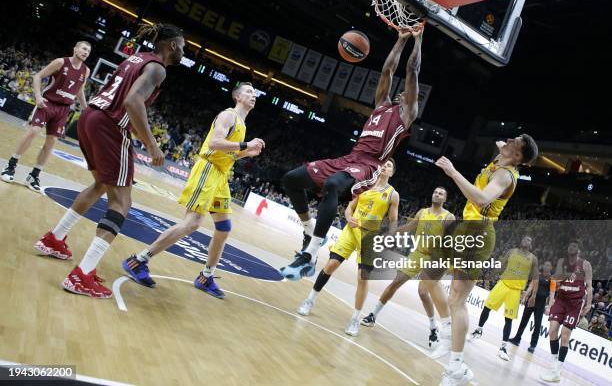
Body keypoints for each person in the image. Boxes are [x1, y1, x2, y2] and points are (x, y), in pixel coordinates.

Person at [35, 23, 184, 297]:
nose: (184, 52)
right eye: (183, 46)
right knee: (122, 202)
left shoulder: (135, 58)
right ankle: (82, 275)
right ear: (172, 44)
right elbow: (131, 102)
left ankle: (54, 239)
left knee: (101, 186)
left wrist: (139, 132)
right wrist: (151, 145)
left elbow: (123, 99)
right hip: (110, 126)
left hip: (91, 116)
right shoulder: (157, 67)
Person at [279, 28, 423, 280]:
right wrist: (400, 39)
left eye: (408, 93)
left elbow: (412, 71)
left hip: (369, 165)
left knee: (334, 184)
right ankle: (308, 229)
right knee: (291, 179)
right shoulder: (381, 105)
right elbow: (388, 70)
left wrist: (418, 39)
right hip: (350, 157)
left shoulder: (406, 114)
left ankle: (310, 254)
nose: (403, 92)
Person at [121, 82, 264, 298]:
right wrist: (245, 145)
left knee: (223, 228)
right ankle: (138, 261)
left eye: (254, 93)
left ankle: (206, 276)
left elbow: (228, 153)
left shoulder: (242, 124)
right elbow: (215, 144)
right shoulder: (228, 116)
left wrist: (247, 153)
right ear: (237, 97)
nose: (254, 95)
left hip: (221, 177)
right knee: (192, 223)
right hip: (208, 169)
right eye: (249, 92)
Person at [424, 136, 539, 385]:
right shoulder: (503, 156)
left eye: (515, 141)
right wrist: (508, 146)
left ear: (518, 157)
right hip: (463, 227)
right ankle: (446, 328)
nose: (509, 139)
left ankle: (457, 370)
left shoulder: (505, 176)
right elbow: (501, 144)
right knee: (429, 274)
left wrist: (453, 172)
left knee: (457, 300)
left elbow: (481, 199)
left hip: (478, 233)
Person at [296, 159, 399, 336]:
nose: (385, 167)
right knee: (330, 266)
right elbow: (349, 208)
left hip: (369, 236)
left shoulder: (392, 194)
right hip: (351, 230)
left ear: (392, 173)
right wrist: (349, 217)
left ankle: (355, 319)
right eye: (384, 164)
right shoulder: (365, 185)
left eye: (389, 166)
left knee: (362, 278)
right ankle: (310, 300)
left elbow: (393, 220)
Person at [361, 187, 455, 349]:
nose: (437, 194)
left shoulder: (448, 217)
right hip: (417, 254)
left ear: (444, 199)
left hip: (433, 259)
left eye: (441, 194)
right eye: (435, 192)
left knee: (423, 293)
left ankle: (434, 328)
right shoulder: (422, 212)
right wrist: (393, 232)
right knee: (395, 283)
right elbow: (410, 227)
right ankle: (373, 315)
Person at [1, 41, 91, 191]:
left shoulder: (85, 71)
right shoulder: (61, 62)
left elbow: (79, 90)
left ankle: (34, 175)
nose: (86, 52)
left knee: (52, 142)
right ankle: (10, 166)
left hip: (63, 109)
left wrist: (86, 109)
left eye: (88, 51)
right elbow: (38, 76)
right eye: (83, 48)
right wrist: (37, 96)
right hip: (47, 103)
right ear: (75, 49)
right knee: (33, 131)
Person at [469, 236, 539, 361]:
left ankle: (503, 348)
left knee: (508, 319)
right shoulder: (511, 251)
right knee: (487, 307)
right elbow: (501, 265)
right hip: (502, 284)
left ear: (531, 245)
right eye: (524, 239)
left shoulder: (533, 259)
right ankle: (478, 330)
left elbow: (535, 279)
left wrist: (532, 294)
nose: (526, 240)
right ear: (521, 241)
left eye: (529, 240)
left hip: (516, 290)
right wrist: (490, 276)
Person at [540, 241, 593, 383]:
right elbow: (554, 281)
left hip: (575, 303)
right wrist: (551, 298)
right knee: (552, 331)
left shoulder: (585, 265)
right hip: (561, 299)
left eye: (575, 246)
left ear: (579, 251)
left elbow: (590, 285)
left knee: (564, 335)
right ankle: (554, 363)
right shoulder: (561, 262)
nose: (571, 247)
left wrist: (589, 303)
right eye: (570, 245)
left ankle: (557, 369)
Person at [509, 260, 555, 353]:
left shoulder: (552, 279)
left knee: (537, 325)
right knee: (523, 321)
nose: (546, 266)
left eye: (548, 265)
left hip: (541, 304)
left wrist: (549, 307)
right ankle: (517, 339)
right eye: (545, 264)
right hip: (531, 300)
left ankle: (533, 345)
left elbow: (552, 294)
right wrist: (525, 297)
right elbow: (530, 286)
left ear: (551, 268)